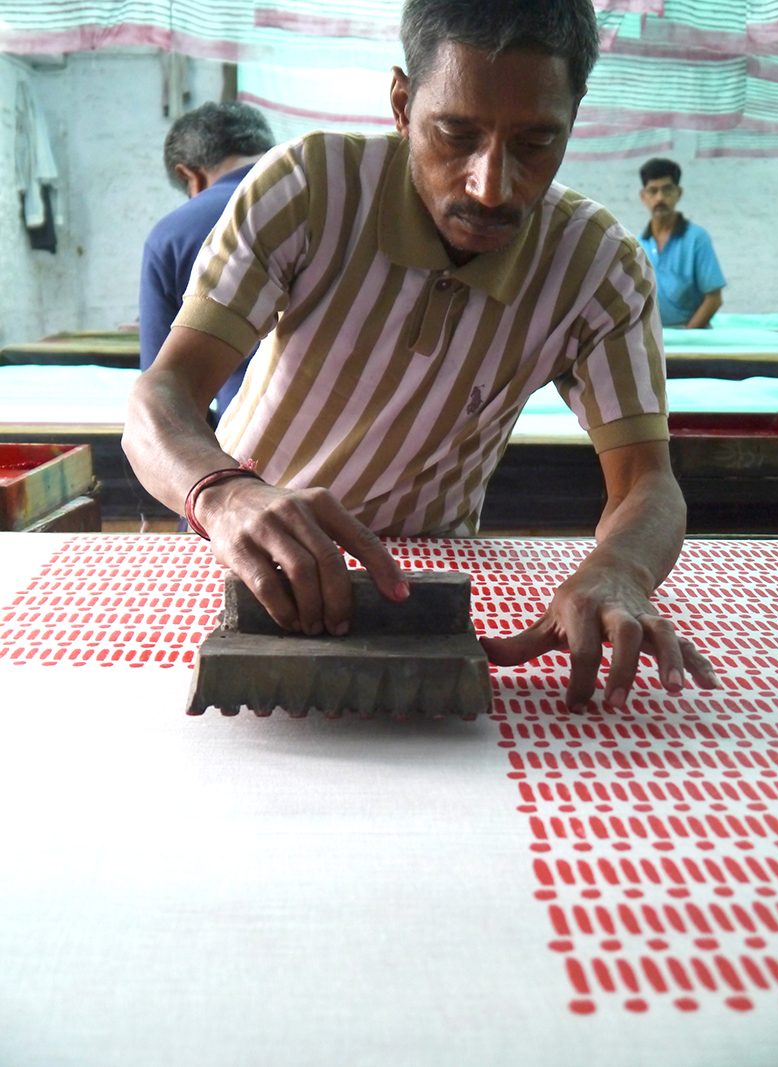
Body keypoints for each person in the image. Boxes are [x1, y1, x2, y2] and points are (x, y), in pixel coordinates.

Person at [123, 0, 719, 713]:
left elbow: (648, 484)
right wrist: (224, 494)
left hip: (428, 577)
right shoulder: (311, 189)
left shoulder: (598, 268)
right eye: (455, 133)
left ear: (574, 114)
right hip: (246, 552)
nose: (491, 186)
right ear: (402, 104)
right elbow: (160, 398)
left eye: (535, 143)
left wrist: (619, 567)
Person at [138, 101, 275, 418]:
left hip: (253, 443)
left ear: (190, 176)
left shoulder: (172, 235)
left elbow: (164, 393)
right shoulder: (337, 196)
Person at [638, 157, 725, 329]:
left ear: (679, 193)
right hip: (653, 342)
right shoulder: (639, 246)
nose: (660, 198)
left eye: (667, 190)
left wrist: (686, 336)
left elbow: (714, 299)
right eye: (653, 191)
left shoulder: (696, 239)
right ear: (643, 196)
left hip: (691, 342)